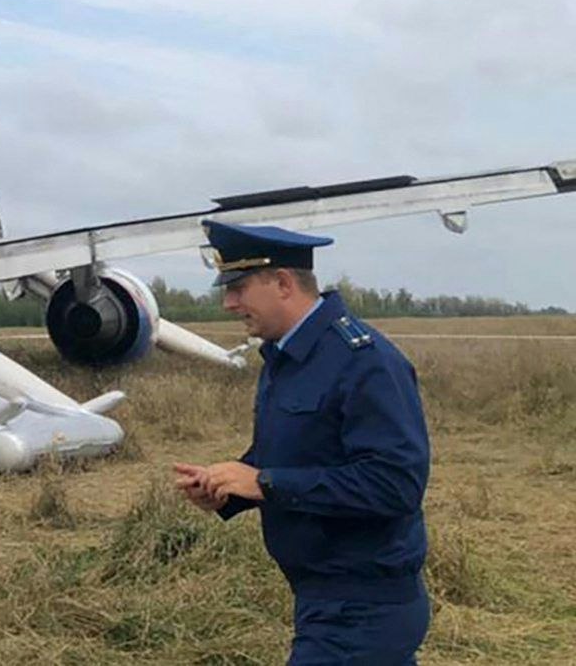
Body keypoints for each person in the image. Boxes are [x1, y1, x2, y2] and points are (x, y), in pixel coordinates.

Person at [172, 221, 431, 665]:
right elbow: (297, 452)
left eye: (238, 287)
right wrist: (228, 488)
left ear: (283, 283)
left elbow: (395, 484)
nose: (228, 302)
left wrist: (266, 483)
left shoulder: (364, 362)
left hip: (363, 608)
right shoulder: (285, 355)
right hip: (323, 597)